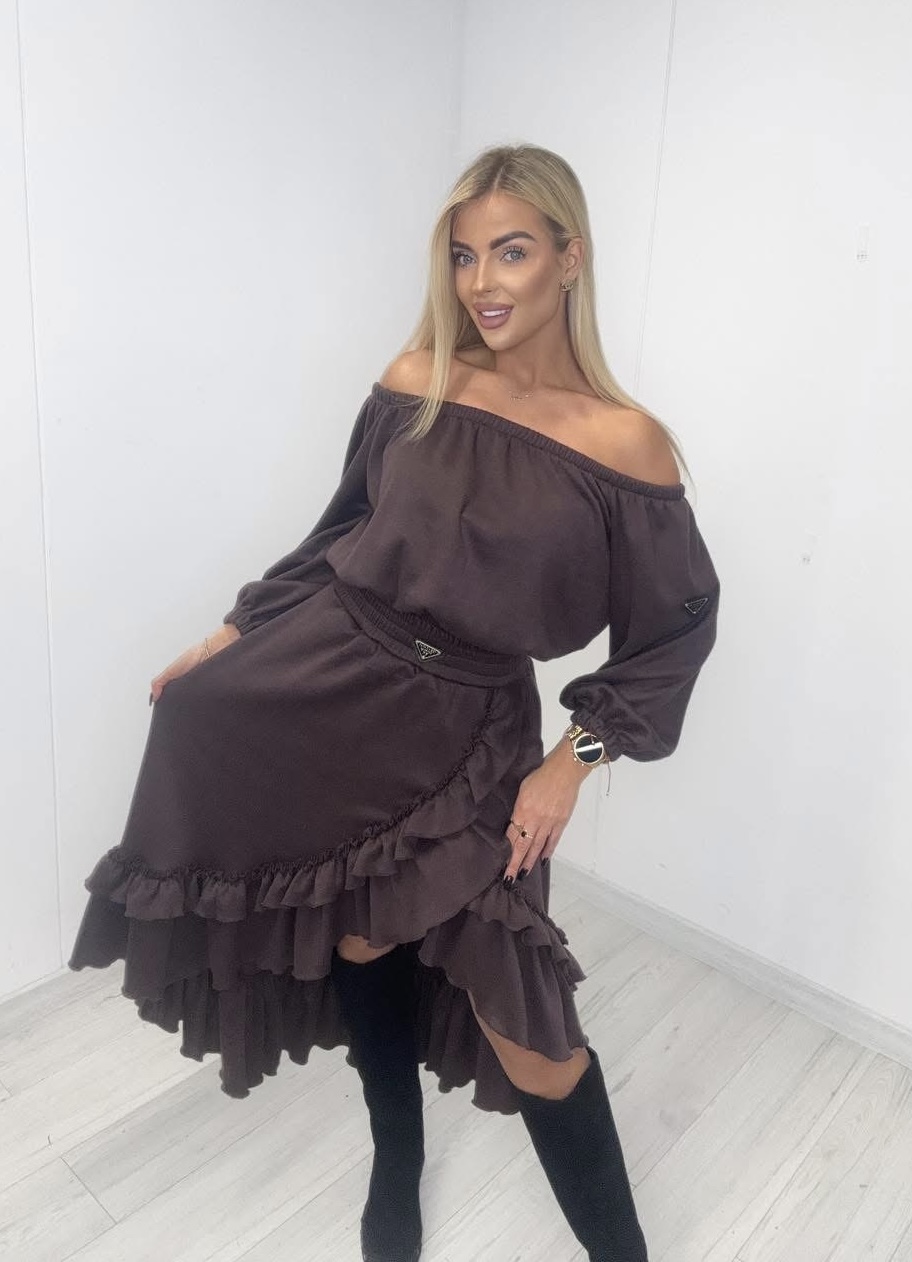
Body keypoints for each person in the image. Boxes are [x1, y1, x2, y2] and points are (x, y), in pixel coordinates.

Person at [69, 143, 720, 1262]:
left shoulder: (626, 443)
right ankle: (396, 1154)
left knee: (530, 1027)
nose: (483, 283)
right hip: (340, 680)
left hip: (472, 730)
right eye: (464, 256)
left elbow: (678, 629)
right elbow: (340, 534)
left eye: (511, 251)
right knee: (362, 934)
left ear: (570, 256)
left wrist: (571, 760)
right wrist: (233, 634)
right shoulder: (418, 376)